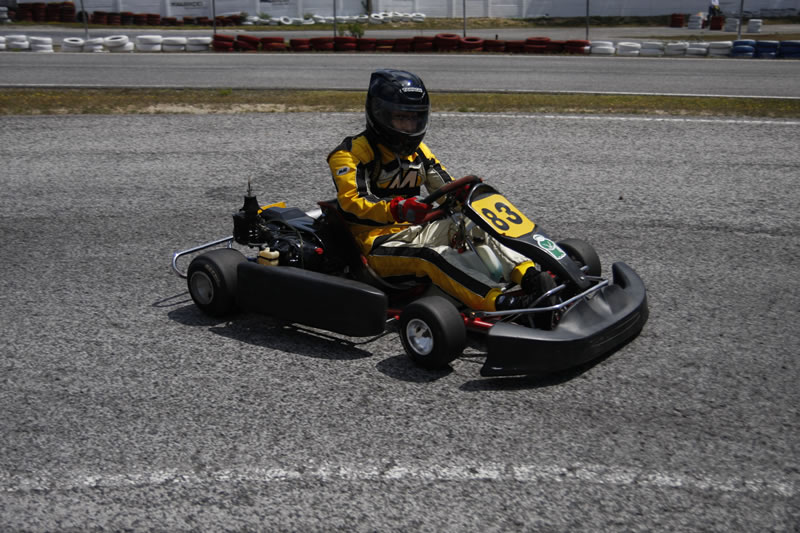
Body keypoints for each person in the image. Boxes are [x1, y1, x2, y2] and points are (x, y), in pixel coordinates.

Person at [326, 69, 554, 312]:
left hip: (417, 228)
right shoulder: (350, 154)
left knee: (478, 225)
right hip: (375, 244)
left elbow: (445, 187)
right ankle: (502, 302)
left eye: (415, 118)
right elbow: (352, 201)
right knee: (431, 256)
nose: (410, 125)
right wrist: (398, 209)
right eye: (402, 118)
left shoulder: (419, 152)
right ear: (380, 115)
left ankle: (530, 276)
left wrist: (465, 197)